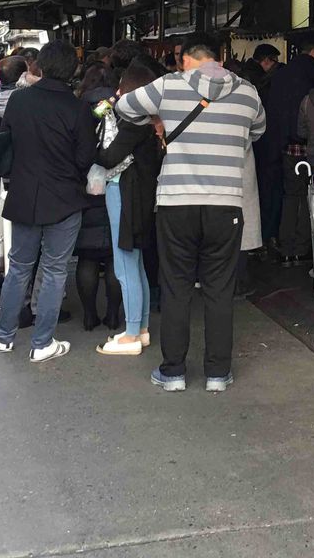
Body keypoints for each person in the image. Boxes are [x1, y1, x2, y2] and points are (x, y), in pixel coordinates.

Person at [115, 31, 265, 392]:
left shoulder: (168, 86)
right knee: (219, 289)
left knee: (176, 286)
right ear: (220, 58)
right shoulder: (248, 92)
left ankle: (173, 373)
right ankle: (217, 374)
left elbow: (123, 106)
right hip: (225, 205)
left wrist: (156, 120)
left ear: (186, 58)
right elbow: (257, 132)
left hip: (176, 203)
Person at [0, 41, 95, 363]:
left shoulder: (19, 100)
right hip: (64, 198)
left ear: (40, 66)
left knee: (19, 267)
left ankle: (4, 336)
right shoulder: (77, 108)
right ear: (73, 70)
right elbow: (85, 157)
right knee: (54, 270)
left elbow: (7, 141)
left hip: (24, 194)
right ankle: (42, 343)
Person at [95, 58, 163, 356]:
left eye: (121, 88)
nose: (117, 93)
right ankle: (142, 327)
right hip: (142, 197)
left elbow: (109, 158)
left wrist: (97, 140)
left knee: (124, 265)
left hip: (124, 194)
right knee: (136, 263)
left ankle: (132, 334)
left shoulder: (133, 125)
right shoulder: (150, 124)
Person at [261, 39, 314, 259]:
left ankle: (286, 247)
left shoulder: (282, 76)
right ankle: (303, 248)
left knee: (290, 196)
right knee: (312, 196)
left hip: (287, 147)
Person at [74, 62, 121, 332]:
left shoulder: (78, 106)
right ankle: (113, 315)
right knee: (115, 256)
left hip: (86, 188)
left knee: (88, 256)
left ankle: (89, 315)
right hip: (118, 183)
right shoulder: (122, 105)